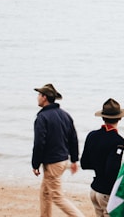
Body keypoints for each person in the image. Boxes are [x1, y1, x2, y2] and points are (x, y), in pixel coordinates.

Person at [32, 83, 84, 217]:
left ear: (44, 97)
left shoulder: (42, 118)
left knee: (56, 196)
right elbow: (73, 138)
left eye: (39, 95)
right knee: (45, 193)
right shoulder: (65, 115)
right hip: (62, 160)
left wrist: (35, 164)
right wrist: (73, 160)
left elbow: (39, 143)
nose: (37, 97)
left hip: (53, 163)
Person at [80, 98, 124, 217]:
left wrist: (98, 164)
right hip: (107, 191)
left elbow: (84, 163)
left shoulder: (92, 135)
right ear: (120, 118)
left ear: (102, 117)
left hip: (94, 188)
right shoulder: (118, 141)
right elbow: (112, 170)